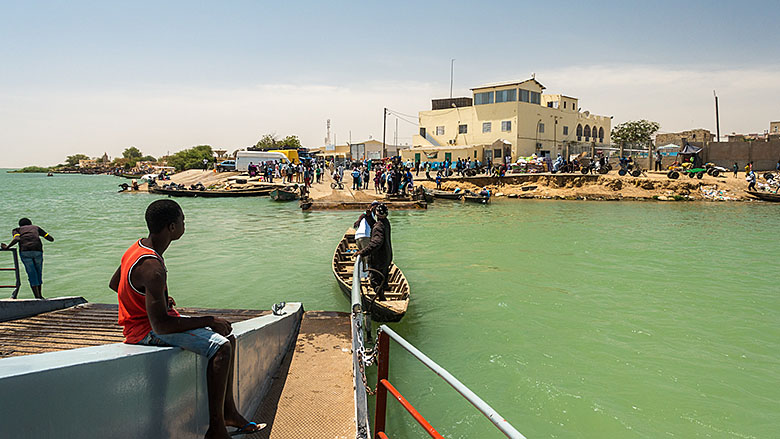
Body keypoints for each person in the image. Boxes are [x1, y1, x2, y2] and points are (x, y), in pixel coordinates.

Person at [108, 200, 264, 438]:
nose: (185, 223)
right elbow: (162, 325)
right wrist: (209, 319)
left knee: (227, 338)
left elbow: (115, 284)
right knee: (220, 346)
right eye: (182, 220)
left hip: (147, 321)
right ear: (171, 227)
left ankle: (229, 412)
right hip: (144, 331)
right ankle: (216, 428)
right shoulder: (153, 267)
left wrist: (158, 298)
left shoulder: (136, 248)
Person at [1, 218, 54, 299]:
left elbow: (16, 239)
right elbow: (50, 238)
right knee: (38, 272)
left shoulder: (17, 230)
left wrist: (7, 247)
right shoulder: (36, 228)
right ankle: (40, 296)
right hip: (37, 250)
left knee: (32, 274)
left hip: (25, 251)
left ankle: (36, 297)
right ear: (30, 223)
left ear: (20, 225)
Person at [357, 203, 392, 301]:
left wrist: (362, 252)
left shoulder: (379, 226)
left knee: (375, 281)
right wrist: (368, 217)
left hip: (378, 260)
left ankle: (381, 298)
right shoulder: (385, 223)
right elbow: (375, 226)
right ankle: (382, 294)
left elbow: (376, 243)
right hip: (386, 257)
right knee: (383, 279)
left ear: (376, 213)